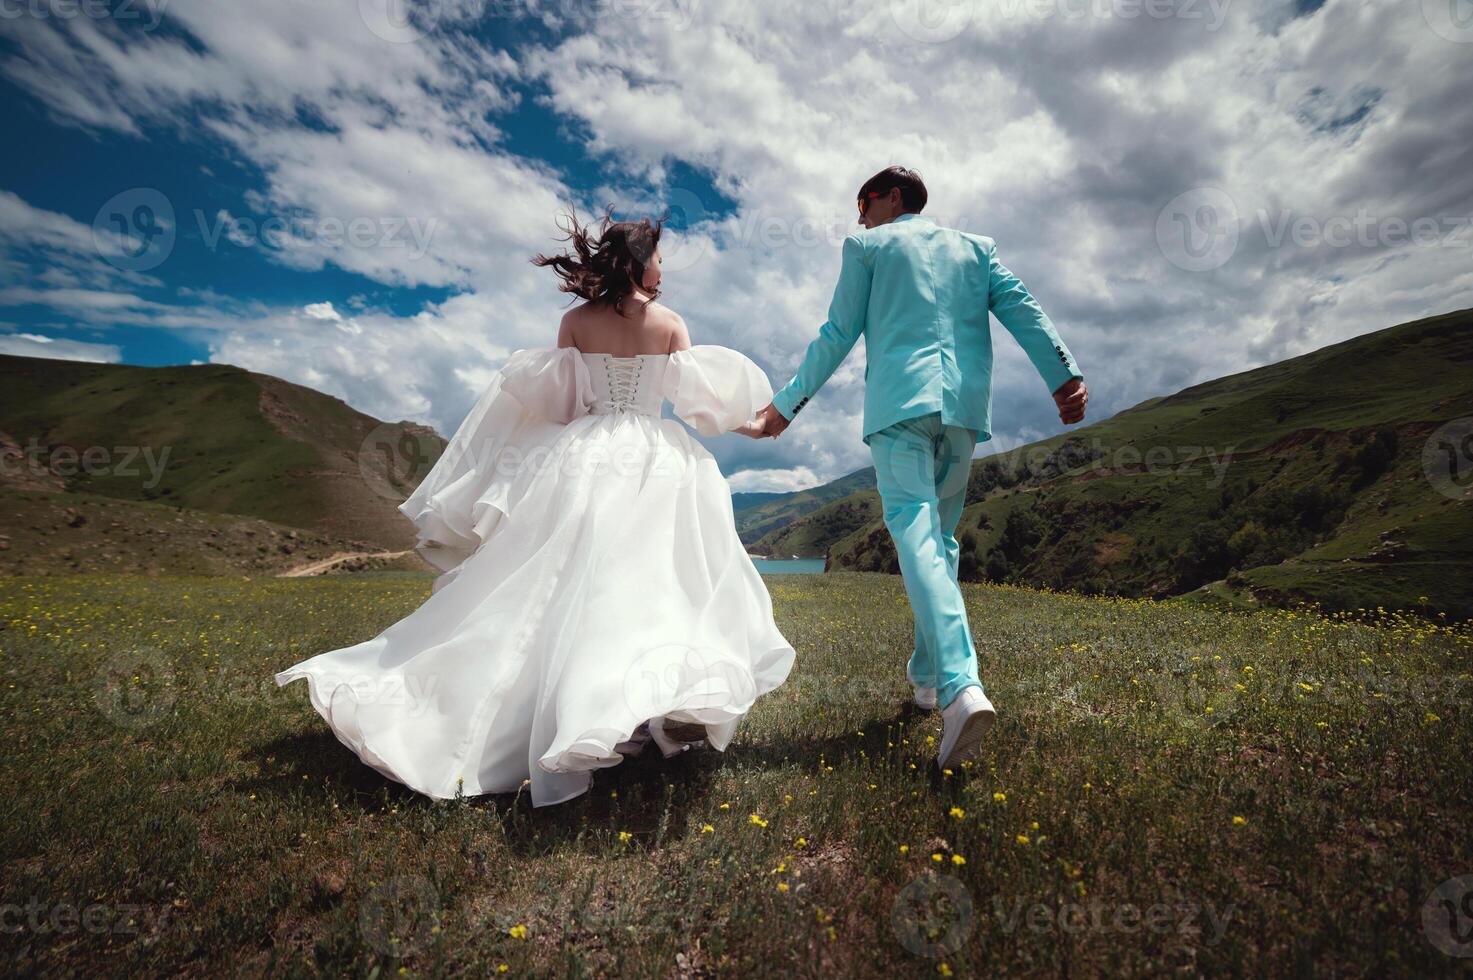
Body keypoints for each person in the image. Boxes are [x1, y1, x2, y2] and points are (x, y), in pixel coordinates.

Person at [275, 207, 795, 807]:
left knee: (564, 583)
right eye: (657, 258)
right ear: (638, 261)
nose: (662, 269)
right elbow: (704, 408)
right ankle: (611, 712)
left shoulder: (574, 322)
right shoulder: (671, 324)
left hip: (587, 456)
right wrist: (762, 425)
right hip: (657, 462)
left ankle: (588, 714)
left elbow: (565, 406)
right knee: (644, 587)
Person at [753, 166, 1089, 771]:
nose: (858, 216)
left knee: (917, 537)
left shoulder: (867, 247)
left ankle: (962, 689)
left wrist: (784, 408)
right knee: (942, 542)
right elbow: (1024, 309)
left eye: (863, 202)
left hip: (900, 409)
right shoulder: (977, 250)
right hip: (961, 412)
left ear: (891, 198)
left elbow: (837, 332)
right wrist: (1063, 374)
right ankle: (929, 679)